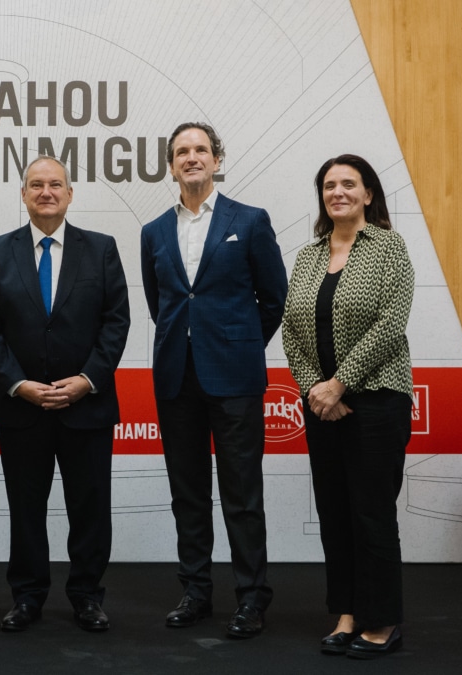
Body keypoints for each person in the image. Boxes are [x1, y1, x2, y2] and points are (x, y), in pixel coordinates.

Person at [140, 122, 288, 639]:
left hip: (235, 379)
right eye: (181, 151)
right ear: (171, 164)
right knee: (188, 493)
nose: (191, 157)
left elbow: (273, 300)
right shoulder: (153, 231)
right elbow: (161, 304)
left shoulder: (249, 221)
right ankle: (196, 592)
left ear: (217, 158)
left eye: (200, 149)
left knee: (242, 493)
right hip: (177, 378)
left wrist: (237, 344)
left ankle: (251, 598)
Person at [0, 156, 130, 633]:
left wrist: (87, 380)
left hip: (86, 403)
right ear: (23, 195)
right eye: (36, 185)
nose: (46, 192)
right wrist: (19, 385)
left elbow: (115, 322)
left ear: (69, 193)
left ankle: (86, 595)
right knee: (26, 508)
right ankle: (27, 597)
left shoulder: (101, 249)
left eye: (55, 184)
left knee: (90, 507)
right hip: (21, 406)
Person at [281, 154, 414, 659]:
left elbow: (390, 322)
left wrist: (341, 383)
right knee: (335, 513)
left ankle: (382, 621)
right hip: (321, 406)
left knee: (371, 513)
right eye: (329, 185)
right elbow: (292, 330)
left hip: (378, 399)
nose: (338, 192)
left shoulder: (388, 247)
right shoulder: (308, 256)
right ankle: (347, 612)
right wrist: (318, 389)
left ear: (368, 194)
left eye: (348, 184)